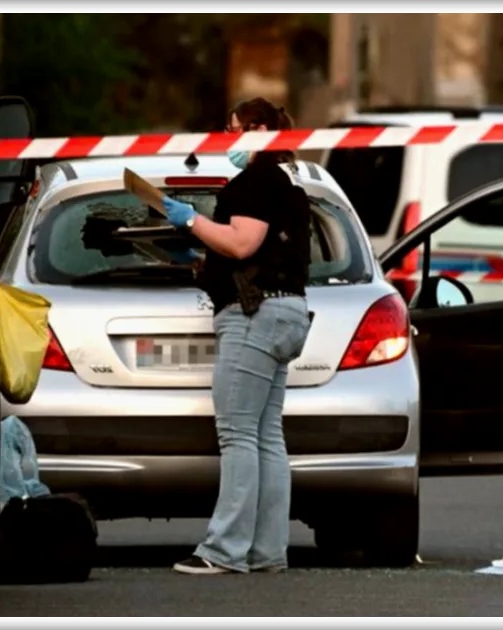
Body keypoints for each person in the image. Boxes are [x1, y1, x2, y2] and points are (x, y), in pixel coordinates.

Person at [164, 98, 313, 575]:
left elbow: (244, 242)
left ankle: (224, 550)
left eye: (233, 131)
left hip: (255, 313)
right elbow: (251, 248)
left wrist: (190, 220)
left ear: (259, 130)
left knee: (237, 434)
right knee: (267, 436)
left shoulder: (255, 181)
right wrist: (204, 255)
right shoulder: (286, 183)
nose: (227, 140)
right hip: (286, 309)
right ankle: (268, 552)